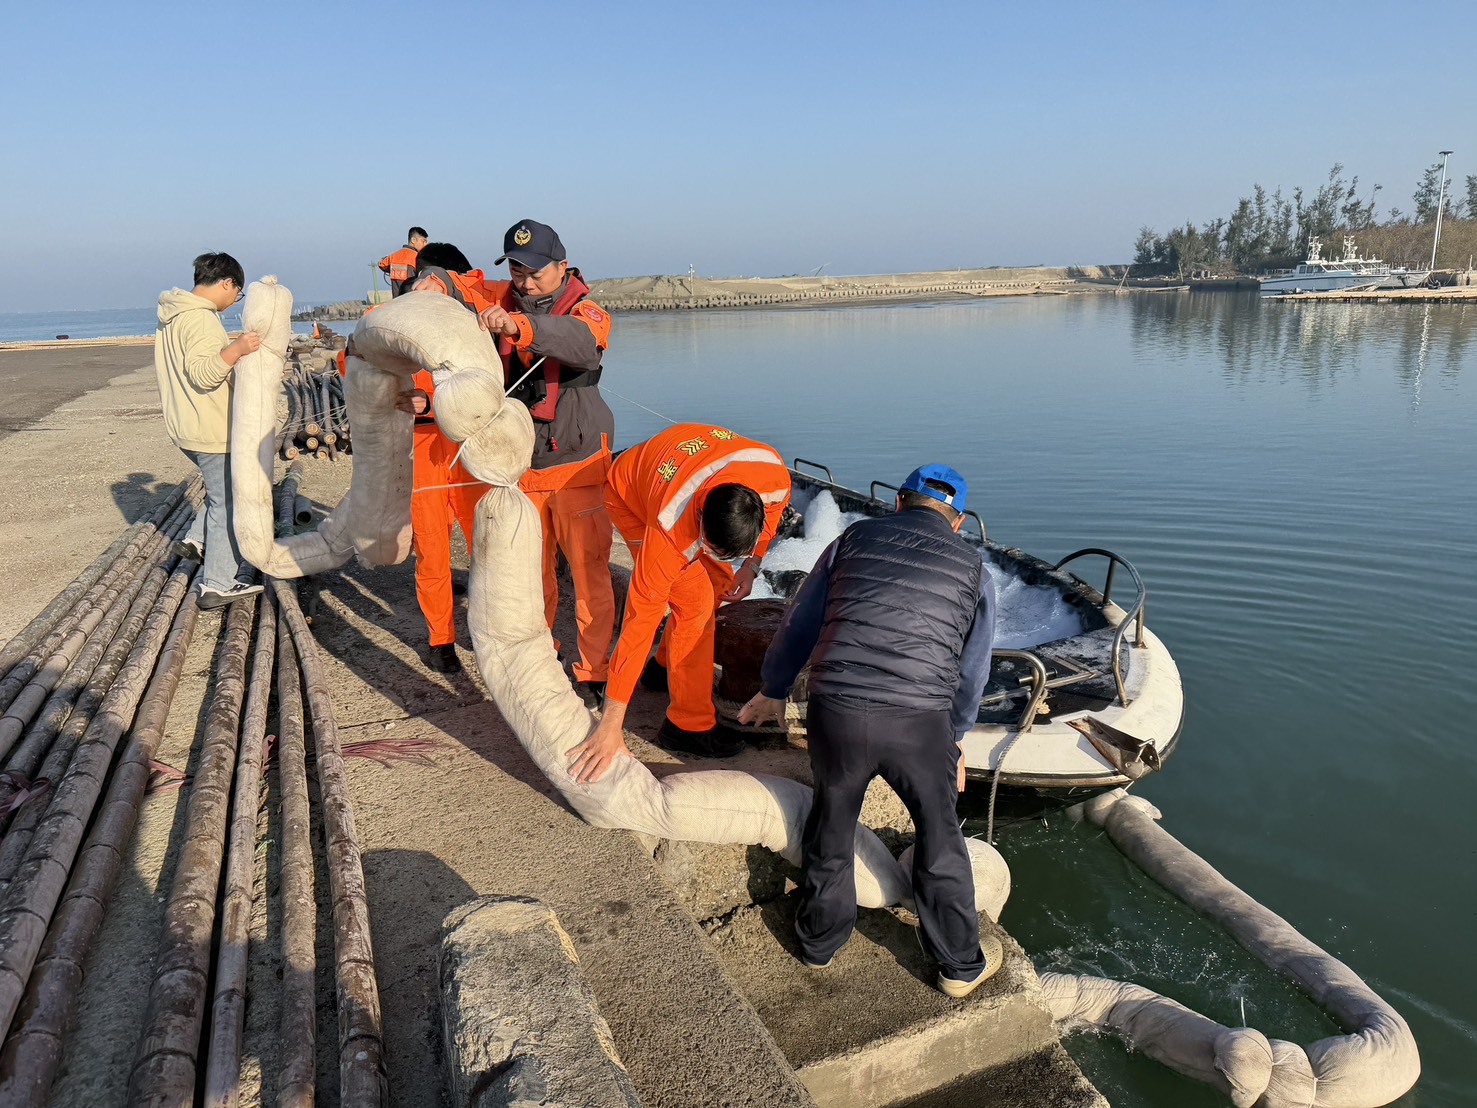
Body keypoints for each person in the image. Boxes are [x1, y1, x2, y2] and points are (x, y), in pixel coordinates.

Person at [736, 465, 1001, 998]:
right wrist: (955, 738)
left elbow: (800, 621)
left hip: (837, 711)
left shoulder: (852, 540)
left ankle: (818, 945)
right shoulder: (975, 570)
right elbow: (974, 671)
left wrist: (773, 687)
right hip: (919, 723)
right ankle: (958, 968)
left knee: (832, 822)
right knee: (940, 834)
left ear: (900, 503)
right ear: (956, 523)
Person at [566, 423, 791, 783]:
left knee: (718, 579)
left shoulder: (774, 477)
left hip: (676, 470)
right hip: (629, 498)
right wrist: (610, 725)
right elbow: (639, 623)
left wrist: (751, 565)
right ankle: (687, 725)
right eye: (713, 548)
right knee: (697, 607)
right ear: (700, 520)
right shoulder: (671, 528)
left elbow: (772, 518)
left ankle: (663, 667)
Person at [472, 220, 617, 709]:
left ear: (561, 264)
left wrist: (521, 326)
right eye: (516, 270)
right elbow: (458, 281)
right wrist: (438, 280)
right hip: (523, 461)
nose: (526, 281)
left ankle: (594, 673)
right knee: (530, 575)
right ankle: (540, 657)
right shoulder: (501, 299)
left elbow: (582, 342)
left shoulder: (587, 309)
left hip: (579, 463)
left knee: (590, 572)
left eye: (536, 271)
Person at [395, 243, 491, 673]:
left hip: (471, 444)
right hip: (422, 450)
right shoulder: (398, 319)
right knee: (431, 549)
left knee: (487, 545)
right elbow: (354, 360)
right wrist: (399, 396)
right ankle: (441, 639)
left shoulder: (474, 311)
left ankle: (492, 631)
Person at [154, 252, 264, 609]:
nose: (235, 300)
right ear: (226, 283)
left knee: (220, 495)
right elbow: (203, 375)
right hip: (211, 428)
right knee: (227, 504)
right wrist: (237, 348)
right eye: (238, 293)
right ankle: (217, 583)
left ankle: (196, 540)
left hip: (185, 425)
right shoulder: (200, 320)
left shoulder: (173, 314)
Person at [378, 226, 428, 296]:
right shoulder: (419, 258)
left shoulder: (393, 256)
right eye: (423, 241)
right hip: (412, 301)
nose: (426, 245)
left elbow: (381, 264)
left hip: (397, 302)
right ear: (413, 240)